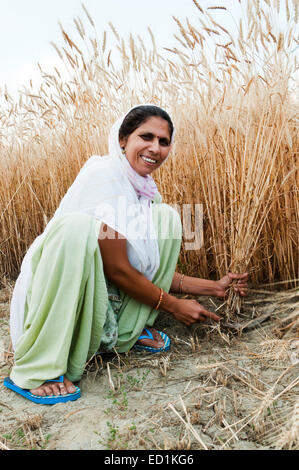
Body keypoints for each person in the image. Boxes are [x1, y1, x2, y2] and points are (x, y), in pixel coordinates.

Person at [4, 105, 248, 404]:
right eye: (146, 136)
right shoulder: (104, 176)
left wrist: (213, 287)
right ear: (123, 140)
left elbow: (145, 265)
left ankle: (122, 334)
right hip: (56, 294)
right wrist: (173, 307)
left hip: (97, 289)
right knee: (77, 227)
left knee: (166, 217)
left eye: (163, 141)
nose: (155, 148)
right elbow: (119, 270)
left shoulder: (145, 191)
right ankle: (39, 366)